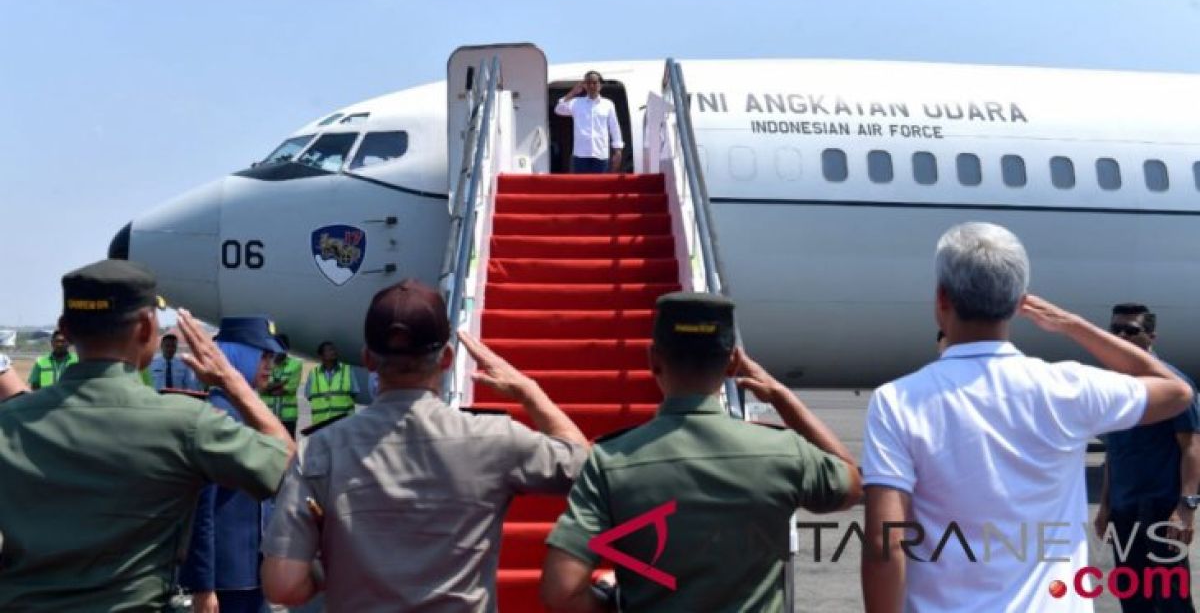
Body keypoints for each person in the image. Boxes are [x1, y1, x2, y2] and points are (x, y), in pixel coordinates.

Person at [861, 222, 1194, 613]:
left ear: (941, 299)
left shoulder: (897, 401)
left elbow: (886, 543)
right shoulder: (1066, 387)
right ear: (1020, 302)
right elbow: (1175, 390)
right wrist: (1073, 326)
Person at [261, 278, 588, 611]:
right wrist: (529, 392)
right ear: (446, 358)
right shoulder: (495, 438)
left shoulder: (320, 450)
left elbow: (283, 585)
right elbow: (582, 466)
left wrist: (331, 563)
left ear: (368, 361)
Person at [0, 259, 294, 610]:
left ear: (66, 328)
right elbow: (287, 465)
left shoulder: (11, 423)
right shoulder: (186, 423)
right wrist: (232, 383)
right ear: (145, 327)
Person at [541, 291, 862, 612]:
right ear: (733, 363)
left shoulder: (609, 461)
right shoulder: (783, 451)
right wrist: (782, 398)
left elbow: (562, 592)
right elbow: (852, 484)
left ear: (653, 359)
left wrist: (615, 601)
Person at [1095, 303, 1200, 612]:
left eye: (1132, 330)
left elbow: (1191, 447)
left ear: (1151, 336)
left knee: (1171, 601)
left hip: (1160, 509)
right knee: (1133, 599)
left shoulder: (1174, 386)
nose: (1122, 336)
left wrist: (1186, 507)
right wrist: (1105, 506)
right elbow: (1114, 453)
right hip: (1124, 510)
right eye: (1116, 330)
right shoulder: (1112, 389)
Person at [182, 316, 288, 613]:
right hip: (228, 578)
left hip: (251, 571)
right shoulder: (220, 417)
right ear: (237, 354)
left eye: (273, 357)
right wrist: (203, 585)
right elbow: (202, 507)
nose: (269, 364)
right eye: (263, 355)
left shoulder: (245, 412)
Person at [554, 70, 624, 173]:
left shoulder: (608, 104)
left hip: (600, 154)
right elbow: (559, 109)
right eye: (588, 83)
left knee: (600, 187)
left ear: (600, 85)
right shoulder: (576, 103)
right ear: (584, 85)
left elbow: (614, 127)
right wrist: (573, 92)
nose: (592, 86)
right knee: (581, 187)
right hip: (581, 154)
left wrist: (618, 150)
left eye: (595, 82)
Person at [304, 340, 358, 426]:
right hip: (321, 424)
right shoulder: (313, 373)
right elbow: (308, 395)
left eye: (334, 349)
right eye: (329, 350)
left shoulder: (347, 370)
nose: (333, 352)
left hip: (344, 423)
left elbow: (354, 393)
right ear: (321, 355)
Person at [261, 342, 304, 436]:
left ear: (287, 350)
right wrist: (281, 383)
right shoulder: (264, 362)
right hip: (267, 415)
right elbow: (262, 387)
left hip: (287, 416)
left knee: (288, 448)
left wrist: (270, 388)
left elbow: (290, 388)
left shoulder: (295, 365)